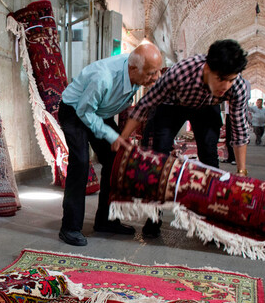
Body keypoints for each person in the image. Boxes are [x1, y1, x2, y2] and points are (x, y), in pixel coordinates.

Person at [118, 39, 251, 238]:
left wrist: (241, 171)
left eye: (231, 79)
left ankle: (209, 219)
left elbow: (239, 130)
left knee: (210, 160)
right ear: (207, 68)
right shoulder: (180, 74)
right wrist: (122, 138)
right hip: (172, 105)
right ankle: (154, 215)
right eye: (221, 78)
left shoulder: (237, 87)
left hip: (207, 108)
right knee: (159, 157)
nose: (226, 85)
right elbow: (145, 104)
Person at [58, 43, 163, 246]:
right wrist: (112, 136)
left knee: (116, 160)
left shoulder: (137, 68)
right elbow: (84, 112)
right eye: (152, 74)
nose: (156, 78)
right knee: (80, 162)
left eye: (158, 72)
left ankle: (106, 220)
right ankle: (69, 227)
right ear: (133, 69)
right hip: (75, 111)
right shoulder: (104, 77)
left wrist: (120, 137)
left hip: (99, 112)